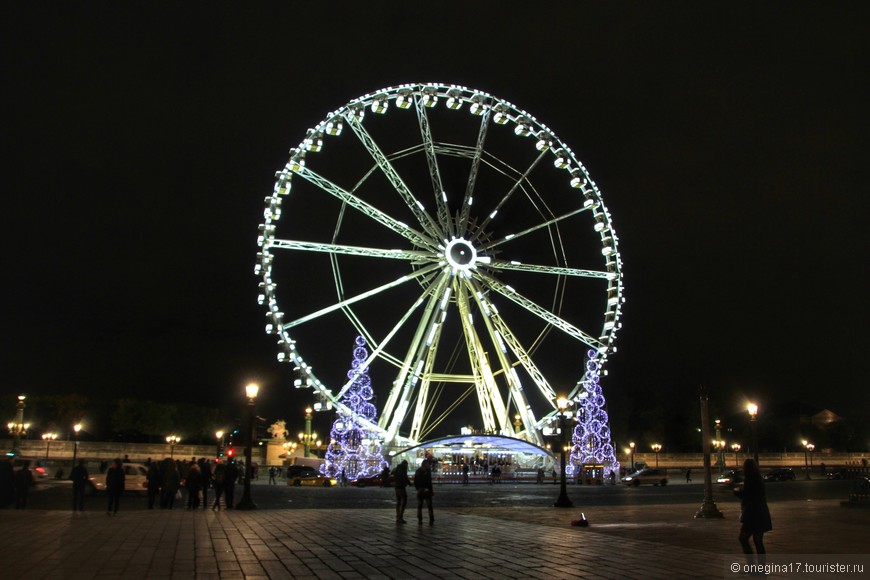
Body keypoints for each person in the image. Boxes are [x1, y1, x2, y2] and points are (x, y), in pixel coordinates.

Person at [736, 458, 772, 564]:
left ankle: (751, 565)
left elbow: (747, 496)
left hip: (752, 514)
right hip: (761, 512)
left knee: (743, 538)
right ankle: (761, 567)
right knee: (758, 541)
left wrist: (737, 492)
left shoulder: (749, 479)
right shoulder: (759, 478)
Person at [414, 459, 434, 525]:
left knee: (421, 505)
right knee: (428, 505)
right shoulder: (426, 472)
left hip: (422, 490)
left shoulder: (419, 471)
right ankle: (430, 519)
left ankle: (421, 519)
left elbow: (415, 481)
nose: (429, 465)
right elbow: (429, 482)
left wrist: (417, 488)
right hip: (425, 490)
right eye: (428, 464)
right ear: (425, 464)